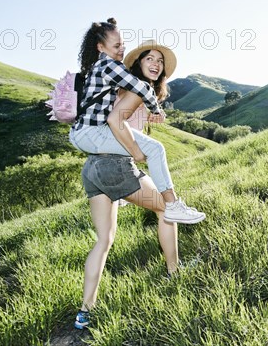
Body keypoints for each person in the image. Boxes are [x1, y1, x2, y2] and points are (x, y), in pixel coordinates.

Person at [69, 18, 205, 225]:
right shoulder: (109, 65)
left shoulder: (99, 66)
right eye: (116, 46)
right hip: (92, 132)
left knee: (145, 149)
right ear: (100, 47)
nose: (121, 49)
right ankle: (172, 206)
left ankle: (126, 194)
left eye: (122, 44)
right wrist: (155, 109)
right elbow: (141, 91)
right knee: (156, 149)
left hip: (82, 133)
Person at [74, 153, 179, 330]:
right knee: (168, 208)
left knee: (104, 240)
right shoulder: (127, 122)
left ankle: (85, 312)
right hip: (116, 168)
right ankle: (174, 271)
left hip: (91, 168)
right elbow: (136, 149)